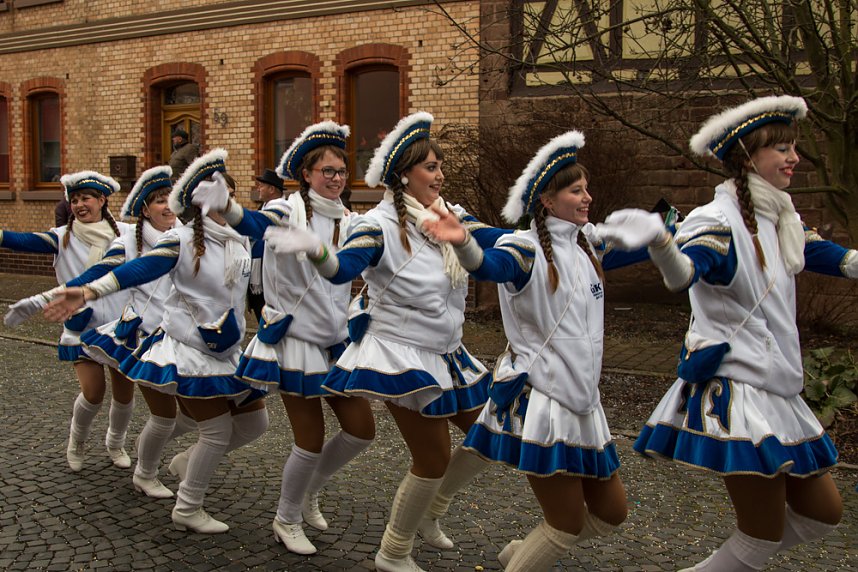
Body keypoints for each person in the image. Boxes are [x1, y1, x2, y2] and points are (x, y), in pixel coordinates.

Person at [596, 95, 850, 571]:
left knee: (823, 514)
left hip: (779, 386)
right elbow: (684, 274)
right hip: (739, 387)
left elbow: (825, 254)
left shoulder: (780, 216)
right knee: (760, 534)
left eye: (794, 148)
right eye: (783, 149)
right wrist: (661, 241)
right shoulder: (716, 221)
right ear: (749, 158)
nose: (795, 158)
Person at [262, 112, 507, 572]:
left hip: (448, 351)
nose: (440, 174)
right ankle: (392, 551)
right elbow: (342, 270)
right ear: (404, 175)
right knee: (431, 458)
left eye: (440, 166)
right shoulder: (375, 224)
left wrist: (560, 234)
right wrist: (315, 249)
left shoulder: (448, 214)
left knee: (493, 432)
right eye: (431, 167)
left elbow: (498, 240)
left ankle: (430, 511)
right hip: (401, 353)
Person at [423, 130, 641, 571]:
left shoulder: (587, 245)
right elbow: (490, 266)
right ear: (547, 200)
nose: (587, 198)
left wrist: (664, 234)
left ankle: (519, 554)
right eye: (576, 191)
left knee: (612, 513)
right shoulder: (524, 249)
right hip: (544, 400)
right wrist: (463, 243)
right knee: (564, 523)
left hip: (585, 402)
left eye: (586, 189)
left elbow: (638, 248)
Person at [44, 149, 269, 534]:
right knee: (203, 427)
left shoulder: (240, 239)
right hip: (182, 348)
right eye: (218, 196)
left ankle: (186, 462)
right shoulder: (178, 239)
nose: (227, 203)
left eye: (230, 196)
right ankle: (182, 501)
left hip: (225, 347)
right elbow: (134, 270)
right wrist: (86, 291)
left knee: (254, 423)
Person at [195, 121, 376, 555]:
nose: (336, 178)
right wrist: (229, 208)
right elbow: (255, 223)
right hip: (294, 342)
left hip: (335, 341)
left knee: (362, 431)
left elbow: (355, 266)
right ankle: (286, 518)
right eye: (327, 171)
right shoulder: (285, 209)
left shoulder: (352, 220)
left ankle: (308, 490)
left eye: (341, 171)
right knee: (309, 439)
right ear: (306, 175)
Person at [3, 171, 134, 473]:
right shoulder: (61, 237)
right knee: (93, 392)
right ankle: (77, 441)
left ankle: (116, 443)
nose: (79, 205)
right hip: (82, 327)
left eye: (85, 198)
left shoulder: (127, 234)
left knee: (125, 393)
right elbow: (21, 240)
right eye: (74, 200)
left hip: (120, 325)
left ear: (102, 200)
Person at [72, 165, 191, 499]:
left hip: (185, 338)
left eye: (172, 199)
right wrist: (69, 292)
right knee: (164, 415)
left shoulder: (188, 235)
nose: (168, 206)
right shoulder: (127, 242)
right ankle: (143, 472)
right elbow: (100, 271)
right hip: (147, 340)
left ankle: (143, 445)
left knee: (195, 415)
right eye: (160, 201)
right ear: (145, 209)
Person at [246, 168, 285, 324]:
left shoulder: (283, 211)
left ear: (271, 189)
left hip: (273, 279)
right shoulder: (263, 209)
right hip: (258, 278)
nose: (258, 189)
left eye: (261, 185)